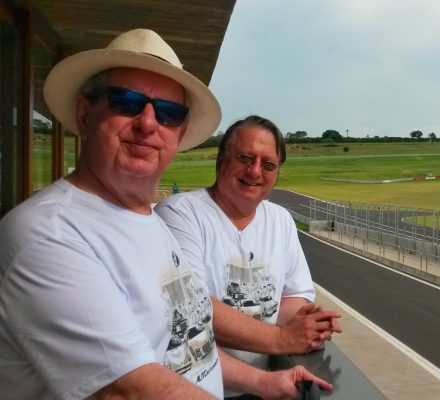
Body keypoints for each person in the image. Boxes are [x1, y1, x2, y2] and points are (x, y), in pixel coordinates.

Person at [0, 29, 328, 399]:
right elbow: (130, 389)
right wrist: (280, 340)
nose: (148, 123)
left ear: (180, 132)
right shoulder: (49, 233)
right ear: (85, 113)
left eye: (169, 113)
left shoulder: (151, 224)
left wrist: (264, 382)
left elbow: (186, 347)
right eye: (126, 102)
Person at [155, 115, 343, 398]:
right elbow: (192, 309)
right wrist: (282, 338)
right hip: (195, 389)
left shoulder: (280, 220)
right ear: (221, 160)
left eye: (268, 164)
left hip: (261, 385)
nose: (255, 171)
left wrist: (309, 325)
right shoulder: (180, 214)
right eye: (245, 158)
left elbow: (295, 295)